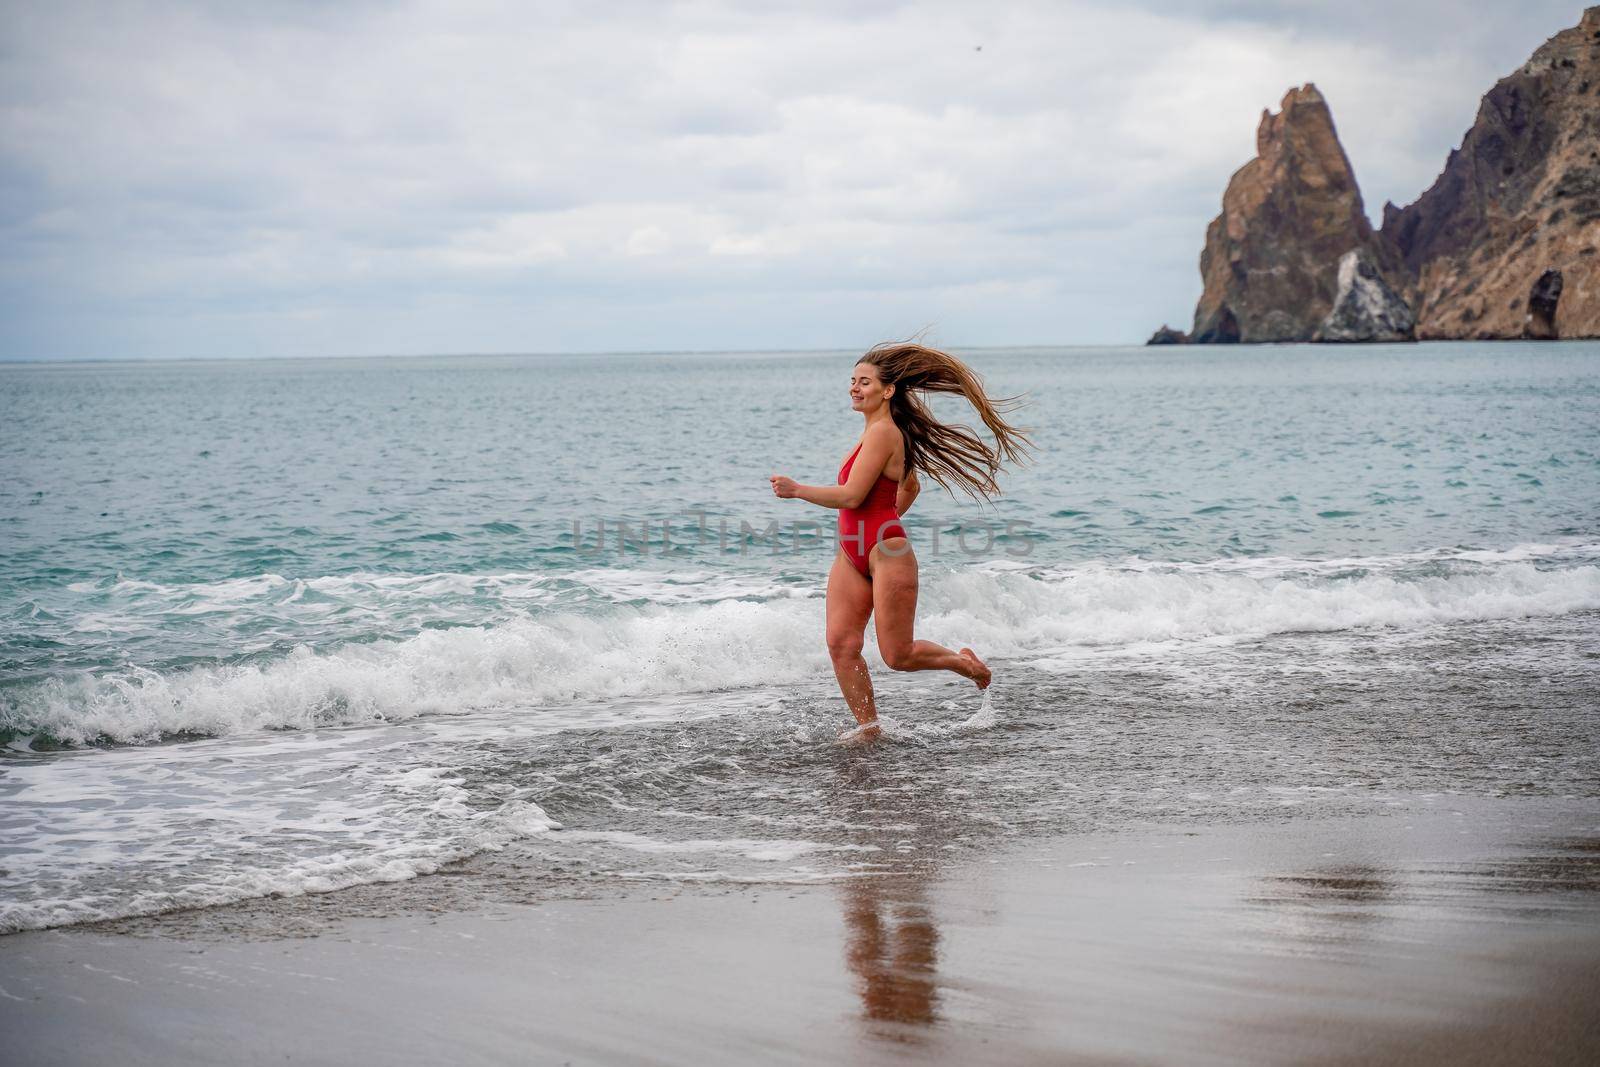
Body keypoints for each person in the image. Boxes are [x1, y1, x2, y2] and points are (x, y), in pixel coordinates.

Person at [769, 342, 1031, 740]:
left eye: (865, 382)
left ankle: (965, 664)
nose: (855, 388)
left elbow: (853, 497)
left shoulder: (884, 433)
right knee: (841, 643)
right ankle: (869, 727)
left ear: (887, 390)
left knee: (898, 655)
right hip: (852, 550)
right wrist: (882, 519)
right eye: (852, 381)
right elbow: (910, 486)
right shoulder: (872, 433)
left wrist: (798, 490)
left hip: (886, 552)